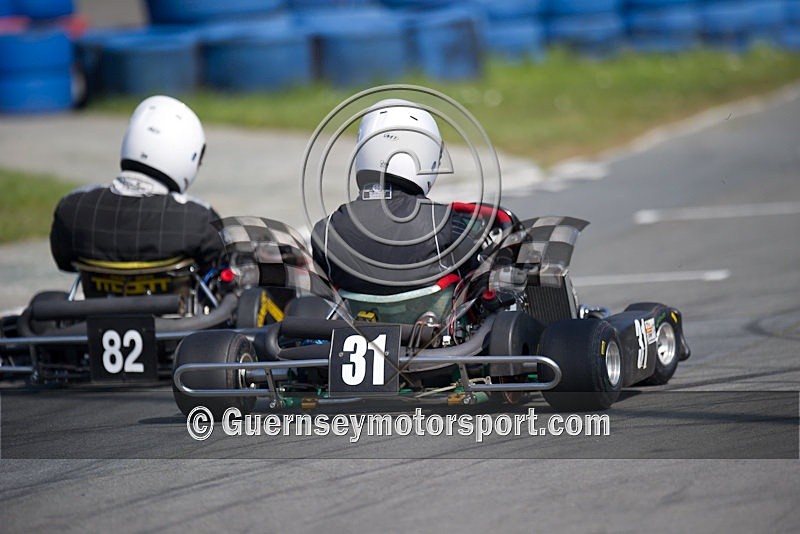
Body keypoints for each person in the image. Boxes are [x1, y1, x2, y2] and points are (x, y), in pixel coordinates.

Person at [311, 99, 484, 296]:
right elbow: (477, 286)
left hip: (353, 326)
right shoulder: (446, 225)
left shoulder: (325, 232)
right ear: (427, 155)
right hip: (431, 325)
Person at [49, 95, 224, 275]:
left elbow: (65, 261)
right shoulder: (198, 219)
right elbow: (219, 268)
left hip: (100, 299)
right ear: (189, 155)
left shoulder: (73, 209)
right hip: (173, 302)